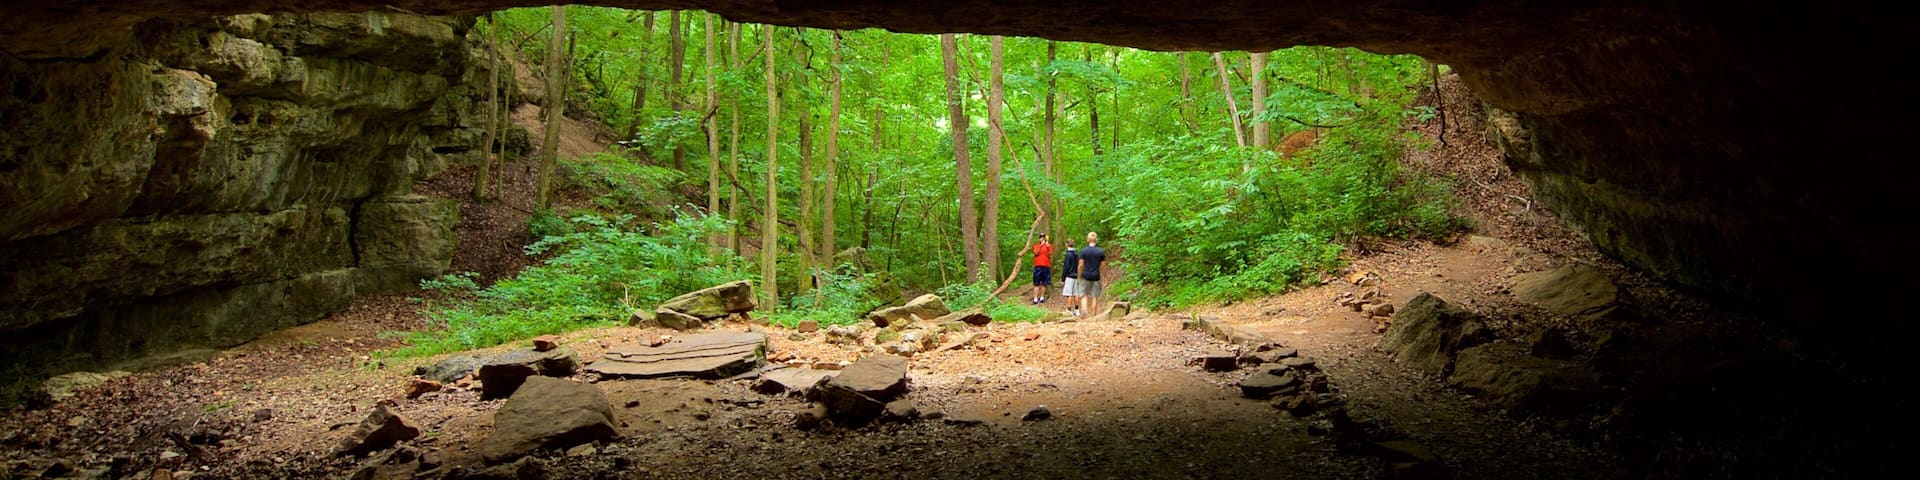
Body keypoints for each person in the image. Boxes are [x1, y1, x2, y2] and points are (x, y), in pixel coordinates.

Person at [1077, 231, 1107, 318]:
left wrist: (1079, 276)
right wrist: (1105, 277)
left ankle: (1084, 312)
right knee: (1094, 296)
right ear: (1096, 240)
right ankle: (1094, 316)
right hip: (1096, 276)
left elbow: (1081, 265)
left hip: (1085, 275)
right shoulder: (1100, 251)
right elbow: (1103, 266)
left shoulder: (1084, 251)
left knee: (1083, 294)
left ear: (1088, 240)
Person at [1028, 233, 1054, 305]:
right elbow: (1036, 253)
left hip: (1046, 266)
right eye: (1041, 237)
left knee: (1044, 282)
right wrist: (1041, 245)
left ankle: (1042, 297)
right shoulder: (1036, 245)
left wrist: (1048, 246)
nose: (1042, 238)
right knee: (1036, 283)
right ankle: (1035, 298)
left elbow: (1051, 253)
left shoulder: (1049, 245)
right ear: (1039, 238)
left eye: (1043, 237)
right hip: (1038, 266)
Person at [1060, 239, 1081, 316]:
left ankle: (1068, 309)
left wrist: (1063, 278)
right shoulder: (1077, 254)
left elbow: (1066, 267)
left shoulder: (1068, 254)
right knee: (1076, 293)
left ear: (1067, 244)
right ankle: (1077, 310)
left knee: (1069, 294)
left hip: (1069, 276)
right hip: (1075, 276)